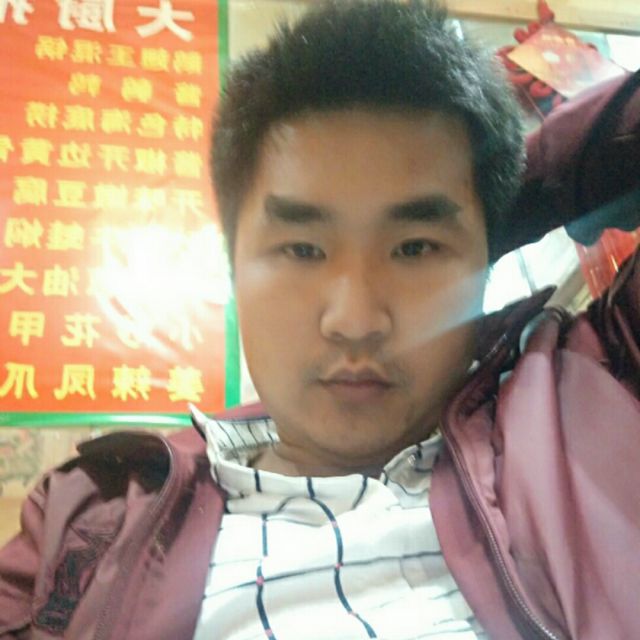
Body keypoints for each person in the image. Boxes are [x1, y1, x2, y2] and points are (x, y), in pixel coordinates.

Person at [1, 2, 639, 638]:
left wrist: (502, 203)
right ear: (233, 265)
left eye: (416, 248)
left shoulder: (595, 392)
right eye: (303, 250)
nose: (355, 321)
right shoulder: (93, 513)